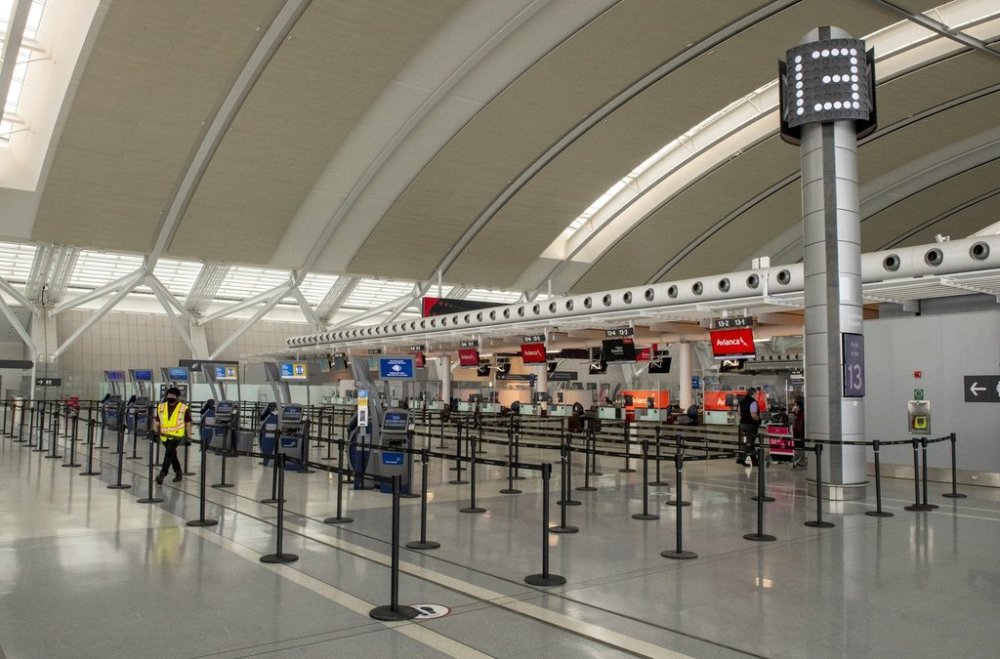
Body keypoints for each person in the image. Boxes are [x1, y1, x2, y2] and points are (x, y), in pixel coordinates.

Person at [153, 386, 192, 484]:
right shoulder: (161, 406)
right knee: (172, 454)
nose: (170, 397)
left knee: (168, 453)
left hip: (176, 435)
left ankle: (162, 474)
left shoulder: (183, 408)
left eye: (173, 395)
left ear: (177, 397)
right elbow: (157, 420)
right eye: (169, 395)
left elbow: (188, 423)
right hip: (164, 435)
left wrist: (189, 437)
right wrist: (154, 432)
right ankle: (178, 472)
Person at [737, 387, 761, 467]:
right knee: (749, 444)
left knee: (751, 444)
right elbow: (753, 415)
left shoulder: (742, 401)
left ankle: (755, 462)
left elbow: (739, 413)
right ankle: (740, 458)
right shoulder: (753, 402)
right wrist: (759, 419)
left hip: (742, 424)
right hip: (750, 425)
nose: (756, 395)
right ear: (753, 393)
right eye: (756, 393)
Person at [791, 396, 807, 468]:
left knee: (800, 448)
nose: (794, 407)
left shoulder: (802, 414)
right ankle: (798, 460)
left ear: (799, 406)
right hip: (796, 434)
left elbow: (800, 425)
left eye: (795, 405)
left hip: (799, 435)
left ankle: (801, 461)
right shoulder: (796, 413)